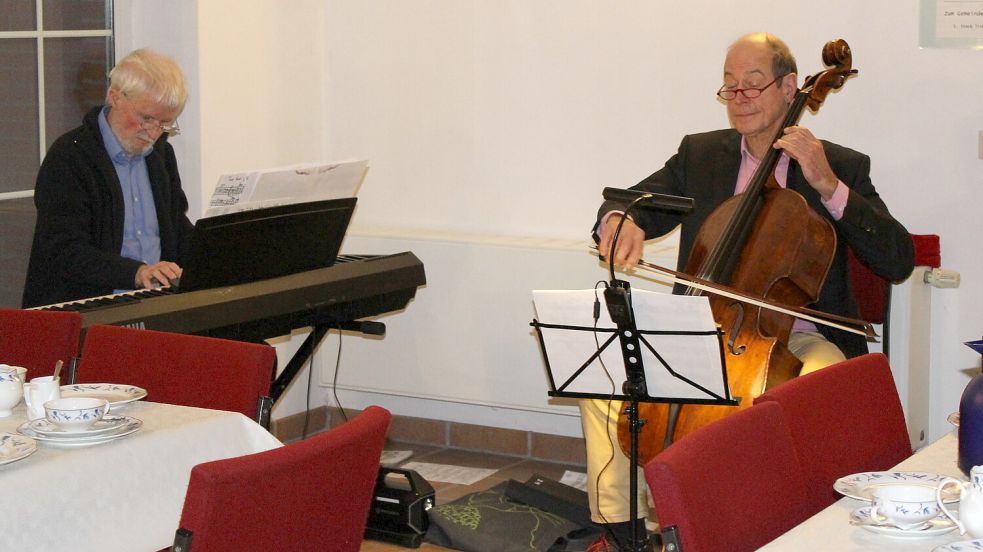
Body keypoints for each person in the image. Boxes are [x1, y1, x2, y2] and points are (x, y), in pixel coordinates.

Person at [585, 32, 915, 551]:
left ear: (789, 88)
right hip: (705, 327)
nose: (739, 99)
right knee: (606, 378)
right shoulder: (702, 154)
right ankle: (627, 530)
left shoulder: (840, 164)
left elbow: (897, 258)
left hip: (798, 335)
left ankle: (800, 532)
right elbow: (631, 202)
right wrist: (618, 220)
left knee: (822, 387)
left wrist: (828, 185)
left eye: (752, 86)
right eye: (729, 88)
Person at [22, 48, 194, 308]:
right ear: (115, 97)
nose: (154, 132)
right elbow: (64, 250)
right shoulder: (70, 156)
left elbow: (176, 228)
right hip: (87, 309)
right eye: (146, 118)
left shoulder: (160, 155)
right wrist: (136, 272)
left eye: (165, 123)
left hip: (154, 303)